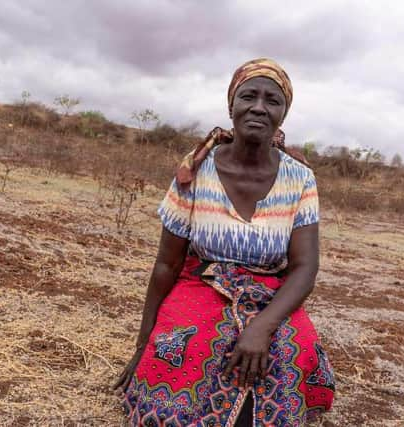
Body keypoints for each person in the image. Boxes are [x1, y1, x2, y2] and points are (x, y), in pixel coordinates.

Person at [115, 58, 335, 426]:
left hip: (271, 290)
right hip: (200, 283)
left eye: (273, 101)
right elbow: (167, 264)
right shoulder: (196, 170)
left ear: (284, 113)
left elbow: (304, 267)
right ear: (231, 105)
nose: (259, 108)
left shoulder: (300, 178)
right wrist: (144, 344)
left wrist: (263, 326)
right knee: (185, 347)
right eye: (249, 96)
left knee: (293, 351)